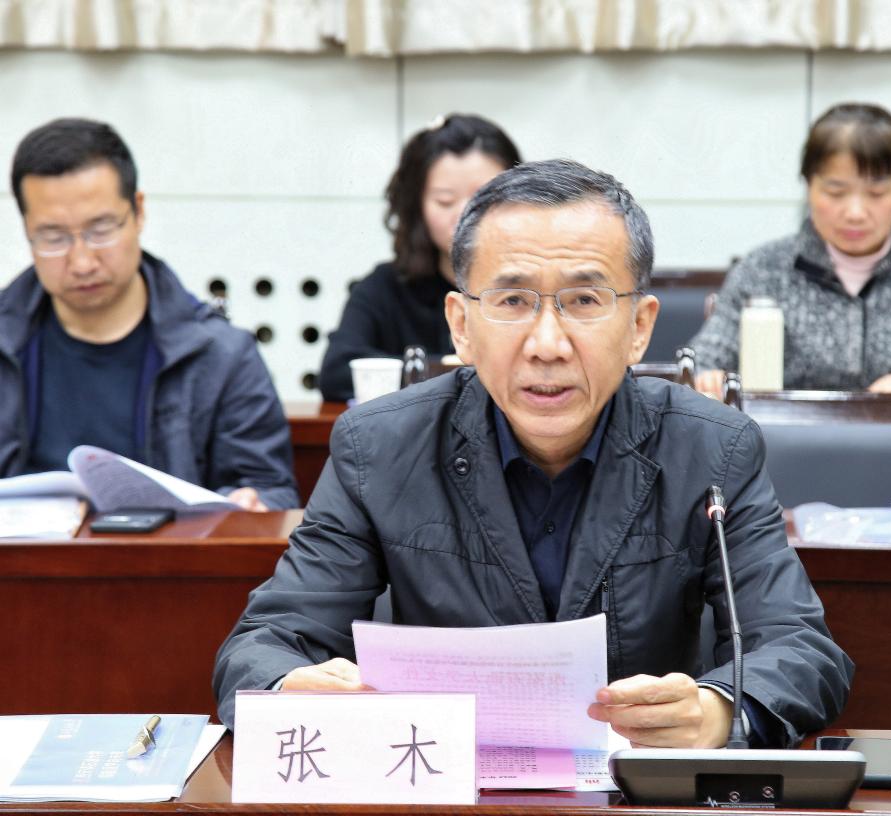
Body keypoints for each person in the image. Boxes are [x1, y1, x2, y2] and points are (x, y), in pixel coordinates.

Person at [214, 159, 852, 747]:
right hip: (446, 795)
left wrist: (718, 711)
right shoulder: (378, 447)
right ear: (461, 325)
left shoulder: (713, 449)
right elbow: (264, 645)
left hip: (634, 800)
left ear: (639, 326)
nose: (547, 344)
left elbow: (802, 649)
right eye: (513, 301)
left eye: (584, 301)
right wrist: (287, 688)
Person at [0, 118, 298, 510]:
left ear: (138, 212)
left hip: (171, 550)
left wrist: (252, 504)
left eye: (101, 230)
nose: (82, 261)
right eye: (53, 237)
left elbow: (272, 490)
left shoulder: (222, 356)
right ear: (27, 230)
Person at [691, 103, 891, 396]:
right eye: (835, 192)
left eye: (876, 193)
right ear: (808, 184)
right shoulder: (761, 269)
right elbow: (700, 365)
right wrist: (709, 381)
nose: (855, 213)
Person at [318, 113, 521, 402]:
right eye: (445, 201)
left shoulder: (540, 284)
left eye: (483, 199)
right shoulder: (385, 287)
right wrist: (457, 370)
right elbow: (338, 371)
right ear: (417, 207)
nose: (465, 215)